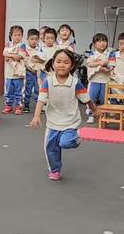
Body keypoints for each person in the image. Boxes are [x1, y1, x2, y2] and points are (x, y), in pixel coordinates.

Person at [30, 49, 98, 181]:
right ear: (53, 64)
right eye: (59, 61)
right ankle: (55, 170)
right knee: (50, 148)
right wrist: (36, 116)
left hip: (70, 122)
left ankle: (75, 138)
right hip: (53, 122)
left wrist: (94, 110)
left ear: (72, 65)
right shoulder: (48, 81)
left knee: (65, 142)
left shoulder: (75, 83)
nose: (62, 65)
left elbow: (86, 99)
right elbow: (41, 99)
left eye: (66, 62)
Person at [85, 33, 114, 124]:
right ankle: (91, 115)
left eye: (104, 41)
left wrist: (105, 66)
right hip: (94, 81)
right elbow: (89, 64)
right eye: (99, 41)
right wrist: (100, 65)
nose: (102, 43)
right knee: (91, 99)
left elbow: (112, 65)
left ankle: (104, 116)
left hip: (105, 81)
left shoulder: (110, 54)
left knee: (104, 100)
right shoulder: (92, 54)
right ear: (94, 44)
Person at [2, 25, 27, 114]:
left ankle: (18, 106)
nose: (17, 37)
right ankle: (8, 106)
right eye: (15, 35)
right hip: (9, 73)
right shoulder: (8, 44)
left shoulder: (22, 45)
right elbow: (4, 54)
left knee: (18, 91)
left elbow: (19, 56)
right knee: (8, 90)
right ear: (11, 35)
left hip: (18, 73)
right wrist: (12, 55)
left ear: (22, 36)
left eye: (19, 35)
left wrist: (10, 56)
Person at [23, 28, 41, 113]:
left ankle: (39, 106)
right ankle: (26, 105)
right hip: (29, 72)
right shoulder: (25, 49)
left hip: (38, 73)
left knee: (38, 89)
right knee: (28, 89)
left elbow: (41, 60)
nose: (34, 41)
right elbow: (25, 61)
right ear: (27, 39)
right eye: (32, 39)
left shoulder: (40, 49)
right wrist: (30, 69)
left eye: (36, 39)